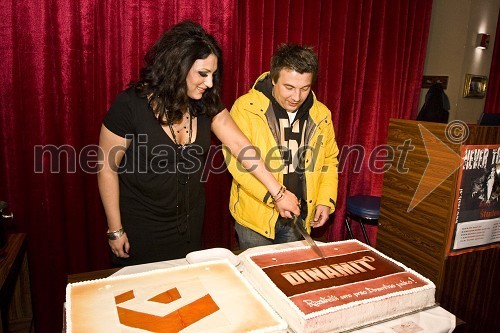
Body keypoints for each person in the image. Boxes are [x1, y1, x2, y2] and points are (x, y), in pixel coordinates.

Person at [98, 21, 300, 266]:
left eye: (213, 75)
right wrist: (115, 229)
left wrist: (278, 193)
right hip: (141, 227)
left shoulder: (206, 103)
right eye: (202, 74)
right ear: (177, 67)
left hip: (188, 227)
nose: (210, 83)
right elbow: (106, 168)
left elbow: (240, 146)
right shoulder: (131, 105)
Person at [224, 44, 339, 250]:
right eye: (289, 87)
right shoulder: (246, 107)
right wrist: (274, 197)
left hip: (298, 218)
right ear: (274, 78)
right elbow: (237, 163)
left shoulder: (322, 114)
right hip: (255, 219)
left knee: (287, 278)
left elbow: (329, 160)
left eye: (305, 88)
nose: (296, 97)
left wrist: (324, 200)